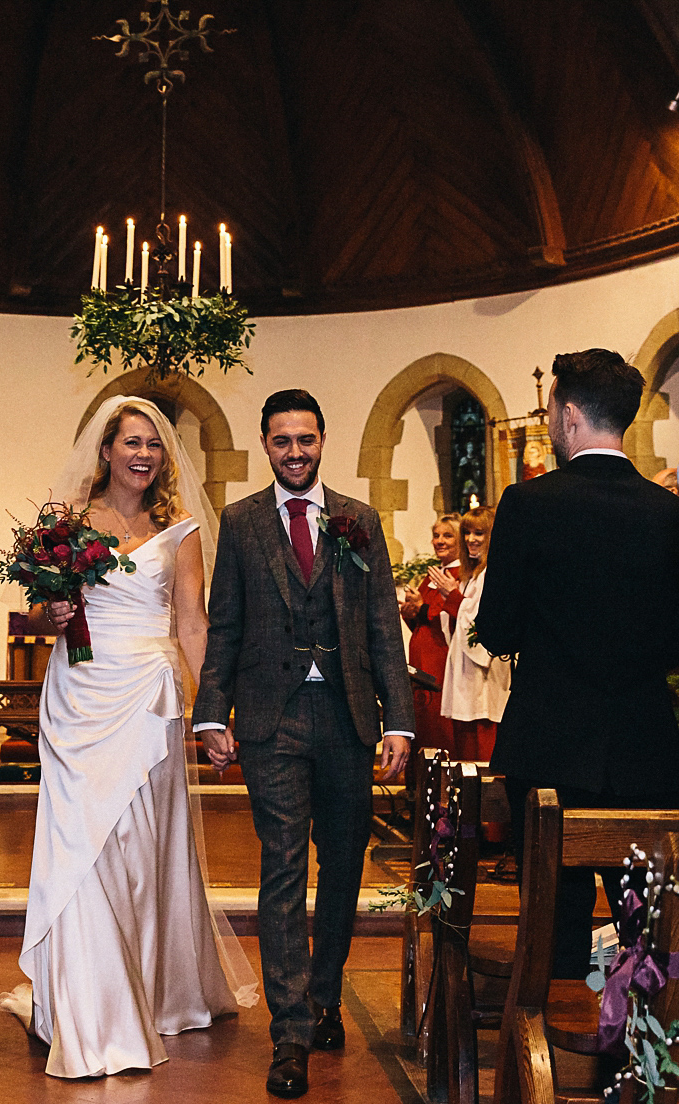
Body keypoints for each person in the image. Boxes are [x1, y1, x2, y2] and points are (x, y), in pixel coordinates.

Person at [0, 396, 257, 1078]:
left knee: (139, 850)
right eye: (130, 442)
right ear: (105, 451)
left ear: (165, 457)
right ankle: (90, 1007)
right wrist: (51, 611)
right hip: (78, 695)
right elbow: (46, 614)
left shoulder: (183, 530)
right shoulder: (65, 523)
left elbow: (192, 624)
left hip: (148, 701)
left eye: (154, 444)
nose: (142, 454)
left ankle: (151, 991)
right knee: (82, 847)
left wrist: (215, 710)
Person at [193, 388, 414, 1099]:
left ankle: (324, 996)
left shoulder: (360, 521)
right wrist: (210, 714)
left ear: (323, 441)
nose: (296, 451)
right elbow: (222, 623)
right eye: (282, 440)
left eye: (306, 439)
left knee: (345, 863)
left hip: (348, 715)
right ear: (266, 445)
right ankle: (288, 1033)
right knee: (283, 867)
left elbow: (384, 626)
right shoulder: (242, 521)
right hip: (271, 720)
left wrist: (401, 721)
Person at [474, 349, 679, 977]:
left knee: (552, 924)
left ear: (567, 416)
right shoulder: (670, 514)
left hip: (549, 744)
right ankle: (632, 1059)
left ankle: (542, 1045)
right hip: (647, 750)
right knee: (644, 928)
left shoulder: (528, 504)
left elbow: (499, 626)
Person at [435, 506, 510, 762]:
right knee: (464, 748)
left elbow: (487, 622)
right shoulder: (471, 575)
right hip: (466, 671)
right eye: (467, 533)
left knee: (483, 748)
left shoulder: (494, 573)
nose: (471, 539)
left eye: (479, 533)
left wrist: (453, 598)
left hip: (484, 677)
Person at [399, 513, 460, 761]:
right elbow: (423, 621)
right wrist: (411, 611)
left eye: (447, 535)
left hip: (442, 661)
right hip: (422, 659)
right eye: (436, 535)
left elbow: (450, 618)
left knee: (439, 725)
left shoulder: (460, 575)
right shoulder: (433, 575)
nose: (439, 541)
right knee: (422, 723)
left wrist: (422, 608)